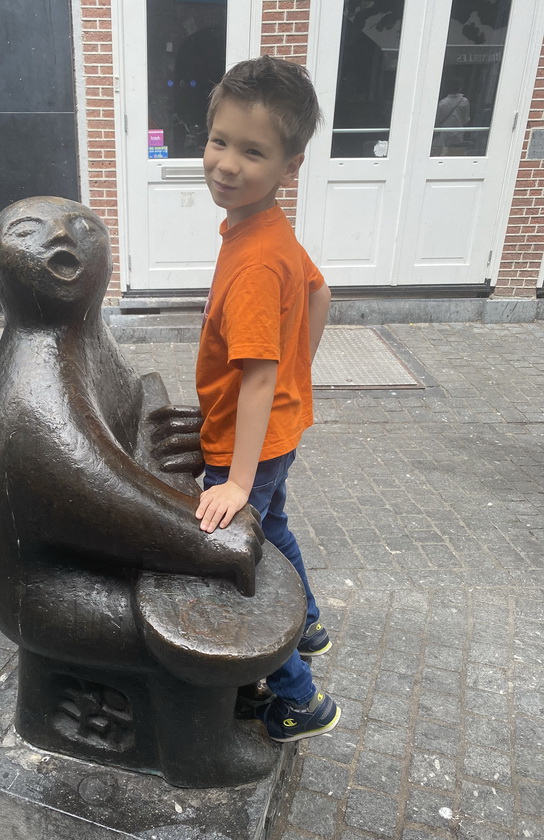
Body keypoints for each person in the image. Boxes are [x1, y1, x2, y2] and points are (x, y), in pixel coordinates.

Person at [194, 55, 340, 743]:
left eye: (252, 152)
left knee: (242, 559)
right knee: (274, 533)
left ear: (290, 167)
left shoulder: (254, 260)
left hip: (245, 446)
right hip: (278, 430)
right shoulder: (262, 230)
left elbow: (255, 377)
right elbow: (319, 292)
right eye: (219, 140)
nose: (226, 163)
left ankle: (298, 700)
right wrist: (297, 380)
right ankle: (307, 620)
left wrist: (237, 484)